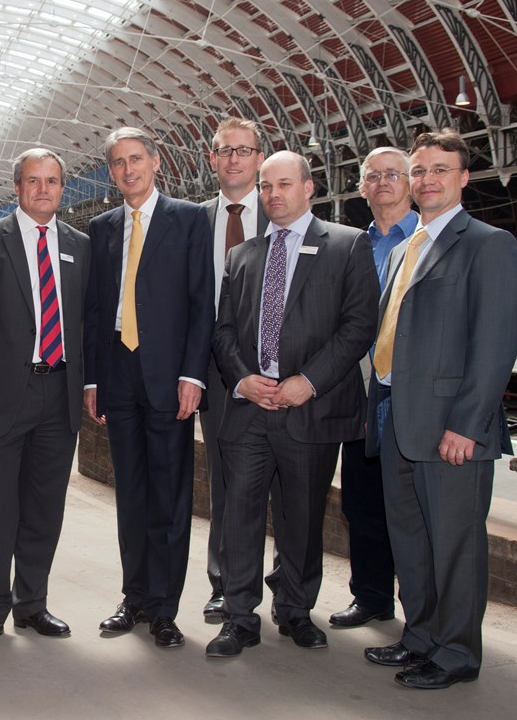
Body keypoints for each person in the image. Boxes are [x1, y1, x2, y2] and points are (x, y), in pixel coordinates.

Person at [364, 129, 517, 689]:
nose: (427, 179)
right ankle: (422, 636)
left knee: (455, 546)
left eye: (439, 170)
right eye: (420, 170)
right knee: (412, 542)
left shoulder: (487, 243)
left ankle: (456, 653)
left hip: (451, 429)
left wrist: (468, 425)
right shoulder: (409, 245)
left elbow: (495, 344)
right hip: (397, 421)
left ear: (462, 178)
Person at [206, 151, 378, 658]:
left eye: (284, 184)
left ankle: (296, 611)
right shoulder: (244, 255)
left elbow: (358, 325)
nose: (273, 194)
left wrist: (310, 381)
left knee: (301, 518)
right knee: (238, 516)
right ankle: (238, 617)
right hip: (250, 408)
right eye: (265, 186)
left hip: (310, 408)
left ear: (309, 188)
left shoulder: (348, 245)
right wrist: (243, 380)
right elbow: (224, 332)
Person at [0, 148, 90, 650]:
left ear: (62, 187)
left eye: (52, 180)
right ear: (17, 186)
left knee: (43, 508)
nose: (44, 189)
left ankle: (33, 605)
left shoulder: (79, 245)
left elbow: (81, 323)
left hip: (59, 392)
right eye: (34, 180)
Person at [83, 127, 214, 647]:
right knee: (131, 494)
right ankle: (133, 597)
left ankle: (164, 607)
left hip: (168, 378)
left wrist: (192, 374)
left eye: (136, 159)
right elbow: (95, 310)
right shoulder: (102, 226)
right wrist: (93, 377)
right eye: (118, 162)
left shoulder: (188, 219)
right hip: (118, 373)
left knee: (169, 497)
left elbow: (201, 301)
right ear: (112, 171)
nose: (128, 169)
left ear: (156, 162)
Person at [328, 147, 418, 629]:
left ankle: (423, 611)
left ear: (410, 182)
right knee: (362, 502)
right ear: (361, 187)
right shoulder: (349, 245)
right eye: (372, 176)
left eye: (393, 174)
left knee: (412, 508)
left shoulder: (427, 238)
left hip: (411, 393)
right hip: (360, 391)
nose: (382, 183)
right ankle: (372, 597)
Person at [197, 117, 282, 620]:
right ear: (212, 159)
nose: (233, 159)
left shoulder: (283, 215)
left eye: (243, 151)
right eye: (225, 150)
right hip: (214, 367)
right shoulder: (193, 219)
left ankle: (286, 589)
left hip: (278, 372)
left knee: (288, 480)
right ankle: (224, 581)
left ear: (258, 158)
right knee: (225, 477)